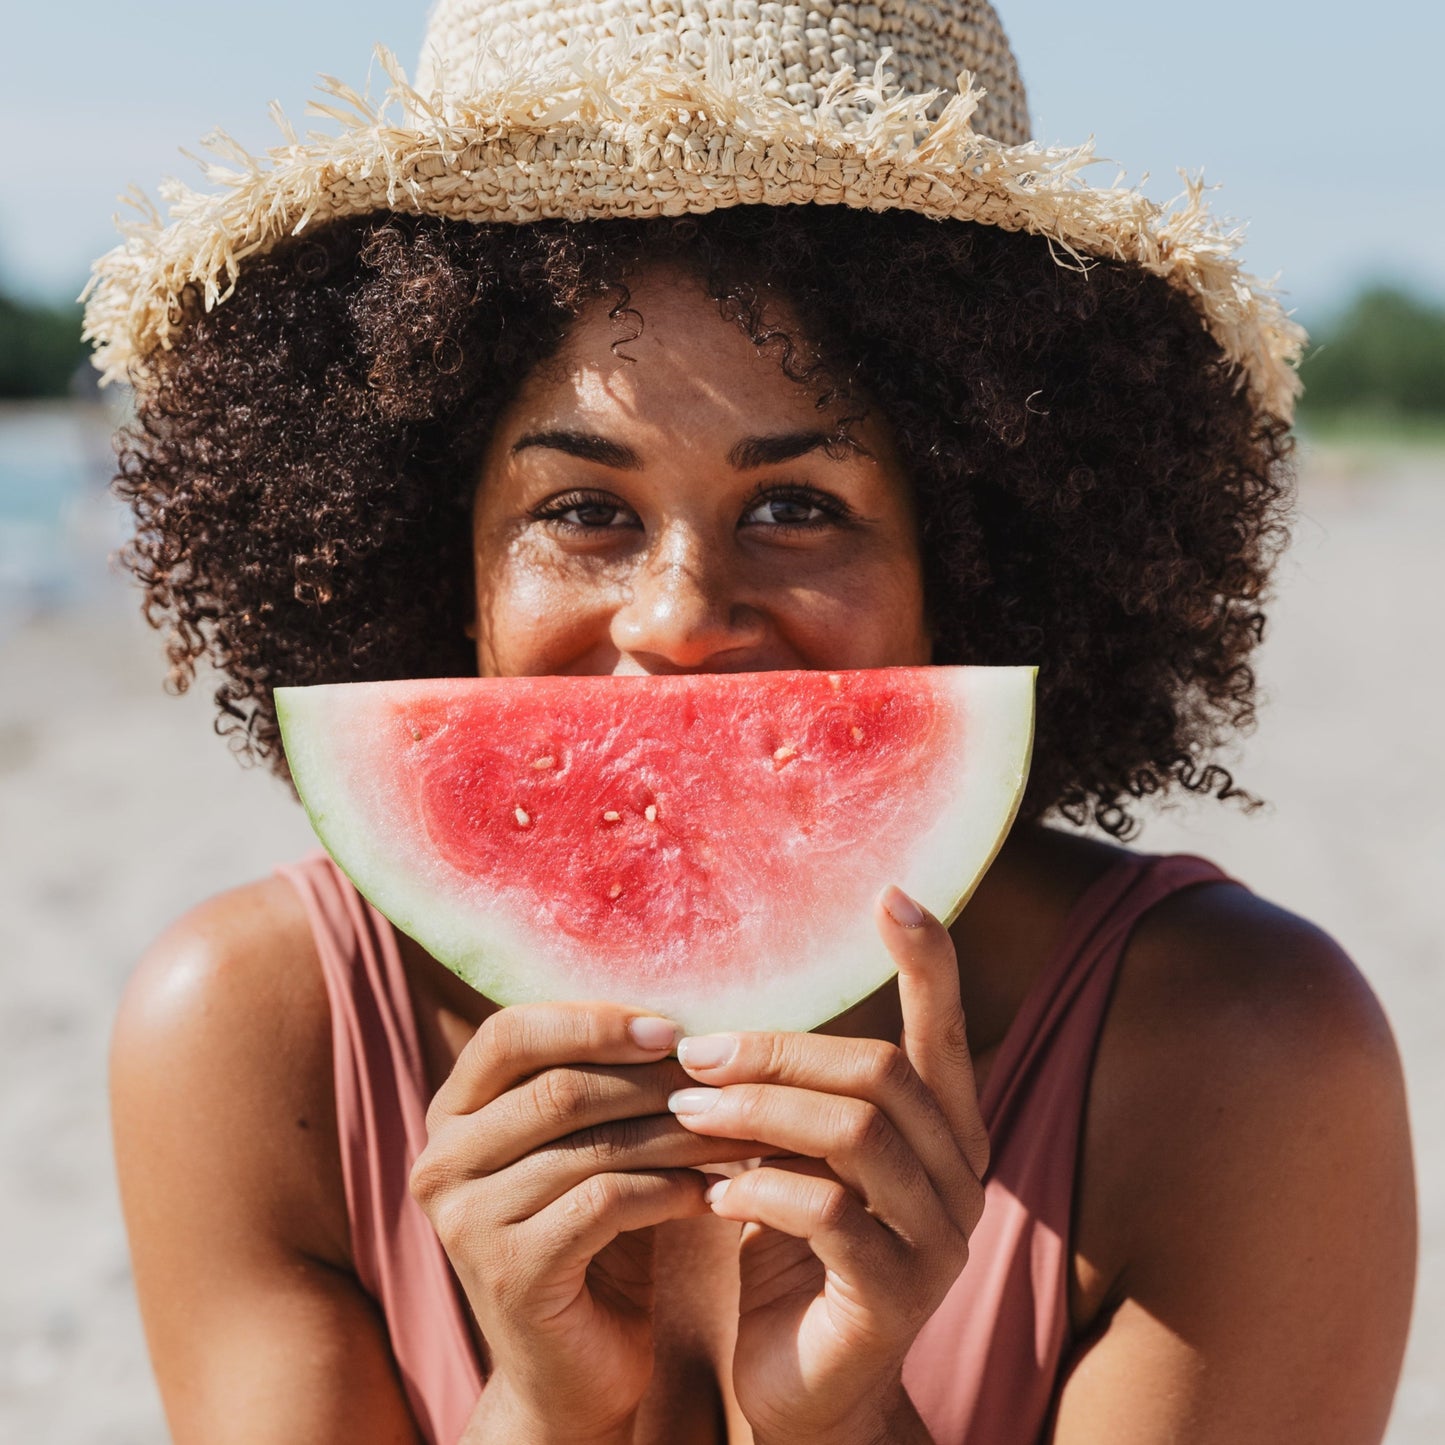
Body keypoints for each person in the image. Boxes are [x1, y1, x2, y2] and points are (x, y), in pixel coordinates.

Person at [91, 2, 1417, 1441]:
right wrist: (541, 1410)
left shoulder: (1249, 1056)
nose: (677, 615)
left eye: (796, 507)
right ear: (434, 549)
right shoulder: (245, 1037)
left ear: (971, 558)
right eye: (582, 510)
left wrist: (844, 1421)